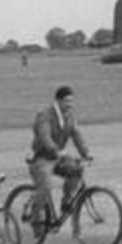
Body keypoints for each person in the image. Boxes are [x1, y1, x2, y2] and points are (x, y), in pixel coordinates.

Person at [27, 85, 93, 234]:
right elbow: (44, 136)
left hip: (58, 157)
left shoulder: (70, 117)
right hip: (42, 157)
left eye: (72, 101)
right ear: (58, 101)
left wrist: (86, 154)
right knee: (46, 186)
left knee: (76, 169)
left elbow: (77, 135)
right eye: (67, 101)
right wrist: (56, 150)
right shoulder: (45, 115)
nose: (70, 105)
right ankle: (36, 218)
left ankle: (67, 201)